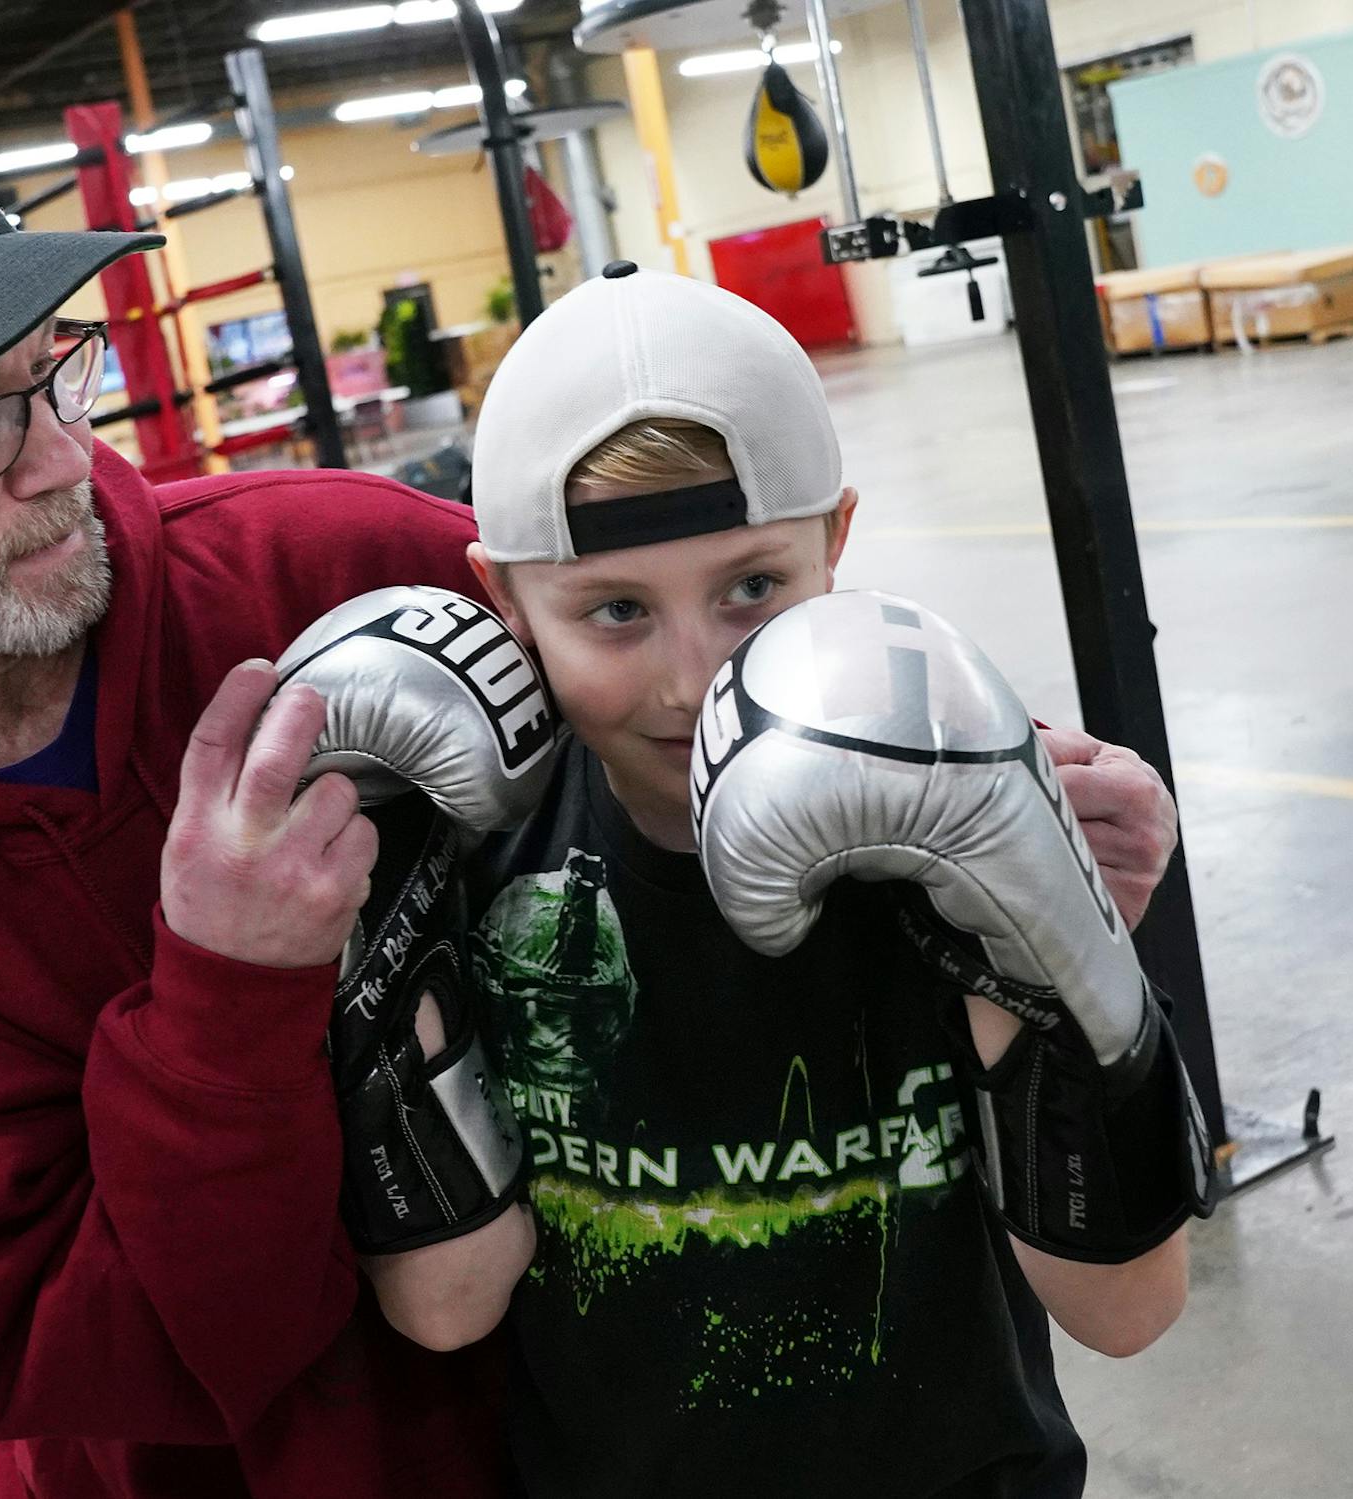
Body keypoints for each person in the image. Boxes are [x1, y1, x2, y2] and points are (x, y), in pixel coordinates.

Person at [0, 87, 1177, 1497]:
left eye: (51, 375)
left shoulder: (328, 566)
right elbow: (106, 1354)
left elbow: (717, 680)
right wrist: (230, 989)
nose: (63, 460)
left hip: (577, 1431)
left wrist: (1018, 810)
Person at [398, 262, 1201, 1498]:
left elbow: (1129, 1307)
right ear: (501, 600)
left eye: (753, 589)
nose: (691, 676)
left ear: (836, 538)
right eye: (614, 610)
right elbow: (445, 1307)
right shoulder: (478, 852)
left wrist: (1054, 941)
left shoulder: (941, 808)